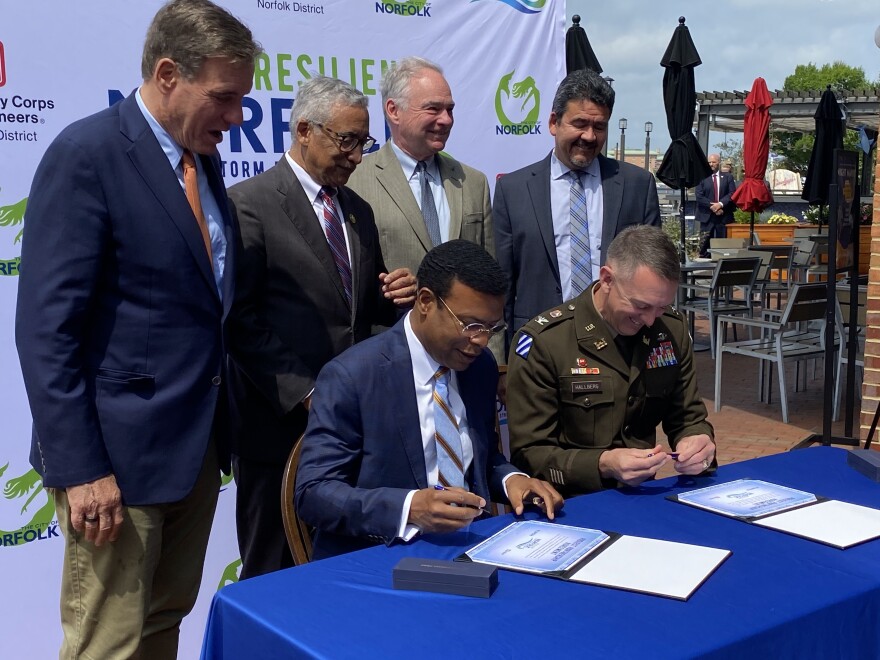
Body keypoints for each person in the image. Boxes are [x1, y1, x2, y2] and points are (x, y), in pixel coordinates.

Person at [14, 1, 260, 656]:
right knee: (108, 643)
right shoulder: (87, 155)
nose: (237, 119)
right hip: (115, 466)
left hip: (195, 455)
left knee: (161, 626)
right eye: (224, 97)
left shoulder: (200, 160)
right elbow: (47, 330)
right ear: (168, 73)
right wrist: (82, 468)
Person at [226, 76, 416, 579]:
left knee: (340, 563)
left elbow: (355, 313)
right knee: (273, 570)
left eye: (364, 142)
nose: (357, 156)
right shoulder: (248, 204)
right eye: (346, 140)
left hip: (351, 428)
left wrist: (391, 296)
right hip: (278, 427)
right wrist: (309, 393)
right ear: (305, 130)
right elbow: (240, 321)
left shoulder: (357, 211)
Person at [295, 240, 563, 560]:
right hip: (377, 554)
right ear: (425, 301)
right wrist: (409, 508)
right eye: (470, 325)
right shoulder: (351, 376)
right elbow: (314, 493)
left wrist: (511, 480)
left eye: (491, 328)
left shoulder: (479, 368)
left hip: (473, 547)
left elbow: (481, 455)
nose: (480, 341)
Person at [505, 226, 715, 497]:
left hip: (644, 497)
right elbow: (528, 454)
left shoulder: (670, 331)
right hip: (569, 502)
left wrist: (697, 441)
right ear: (606, 279)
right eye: (641, 306)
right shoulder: (547, 342)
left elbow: (687, 416)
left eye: (661, 307)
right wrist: (602, 464)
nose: (651, 320)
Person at [494, 69, 661, 349]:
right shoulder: (513, 190)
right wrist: (501, 362)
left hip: (619, 345)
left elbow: (654, 272)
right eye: (580, 123)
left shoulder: (637, 185)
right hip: (538, 346)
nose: (589, 136)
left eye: (599, 126)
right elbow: (502, 285)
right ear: (553, 122)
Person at [696, 153, 738, 257]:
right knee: (704, 244)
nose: (711, 164)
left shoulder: (728, 177)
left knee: (722, 244)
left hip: (723, 216)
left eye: (713, 162)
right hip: (707, 216)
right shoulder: (701, 177)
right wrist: (713, 207)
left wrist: (720, 204)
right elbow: (699, 196)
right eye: (709, 162)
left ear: (718, 162)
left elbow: (732, 193)